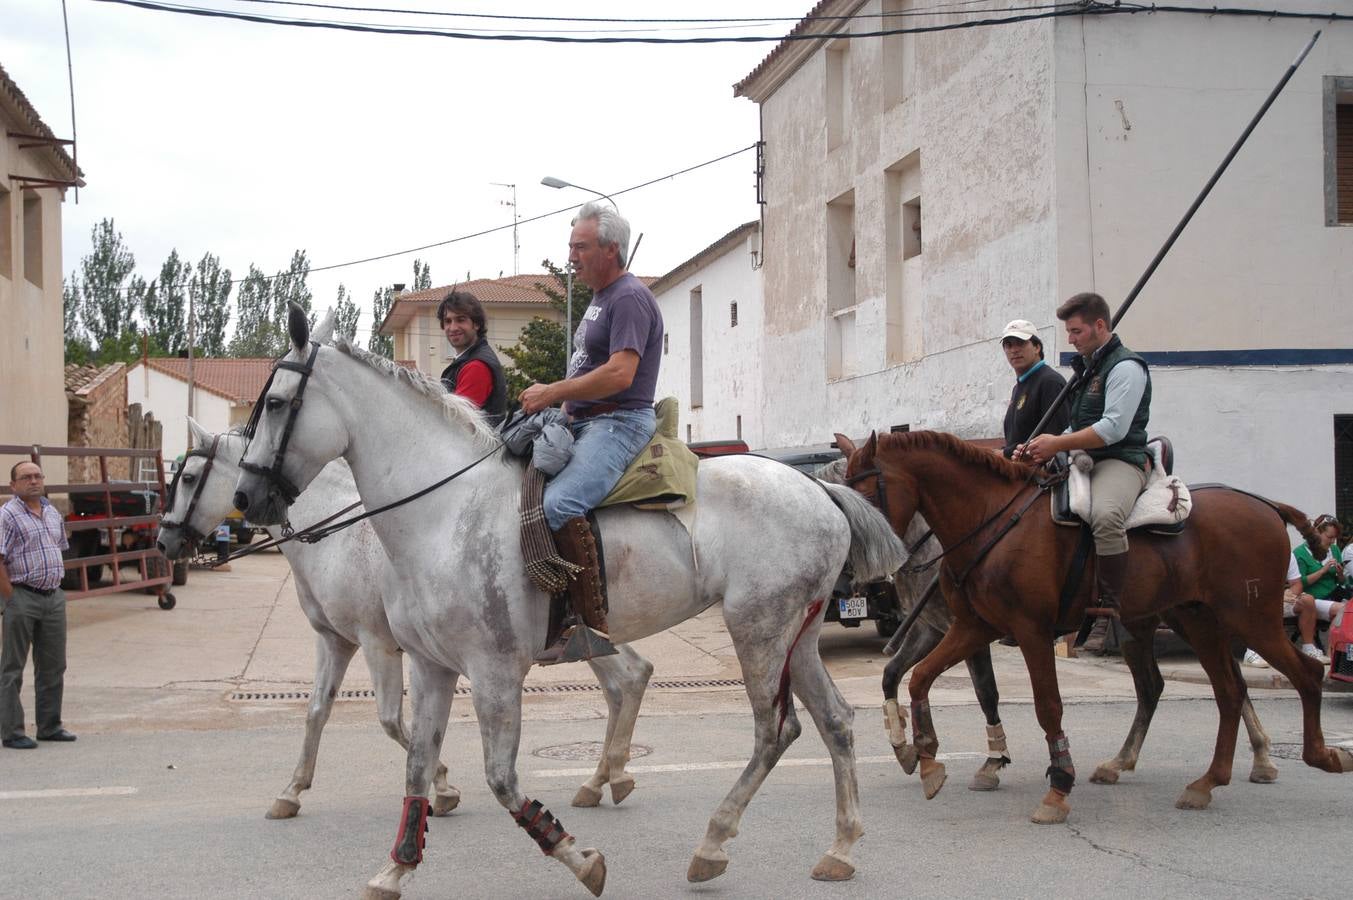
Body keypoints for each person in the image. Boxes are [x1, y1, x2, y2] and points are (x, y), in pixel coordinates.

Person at [519, 201, 663, 663]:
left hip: (619, 422)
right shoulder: (601, 299)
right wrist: (559, 410)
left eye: (580, 247)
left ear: (611, 250)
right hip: (583, 420)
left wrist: (553, 391)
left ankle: (589, 627)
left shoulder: (629, 298)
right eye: (570, 246)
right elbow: (588, 365)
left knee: (561, 504)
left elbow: (621, 374)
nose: (571, 256)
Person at [1015, 292, 1151, 653]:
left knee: (1105, 516)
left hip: (1120, 460)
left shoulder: (1126, 367)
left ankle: (1109, 609)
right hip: (1082, 459)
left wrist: (1057, 445)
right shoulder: (1087, 368)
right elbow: (1076, 425)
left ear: (1100, 326)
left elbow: (1113, 429)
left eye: (1075, 331)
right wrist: (1035, 449)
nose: (1070, 339)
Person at [0, 461, 77, 749]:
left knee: (53, 666)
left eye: (36, 476)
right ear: (13, 485)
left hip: (53, 597)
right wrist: (11, 597)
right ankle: (12, 732)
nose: (33, 481)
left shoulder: (51, 512)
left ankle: (50, 726)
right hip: (22, 596)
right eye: (25, 477)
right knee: (12, 667)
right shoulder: (7, 516)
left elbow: (58, 549)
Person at [1287, 514, 1352, 664]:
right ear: (1317, 533)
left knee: (1347, 610)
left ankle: (1339, 654)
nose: (1332, 541)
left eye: (1334, 538)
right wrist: (1322, 571)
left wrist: (1340, 573)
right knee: (1344, 611)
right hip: (1313, 599)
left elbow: (1341, 581)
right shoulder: (1300, 554)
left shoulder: (1334, 550)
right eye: (1329, 537)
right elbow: (1299, 583)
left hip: (1334, 595)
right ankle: (1333, 655)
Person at [1000, 319, 1068, 458]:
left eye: (1021, 343)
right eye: (1008, 345)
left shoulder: (1050, 382)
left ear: (1037, 347)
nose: (1014, 350)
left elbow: (1057, 437)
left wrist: (1004, 453)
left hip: (1041, 473)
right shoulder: (1018, 387)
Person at [437, 290, 507, 427]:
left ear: (476, 324)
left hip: (472, 448)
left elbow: (456, 422)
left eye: (460, 320)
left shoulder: (476, 366)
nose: (453, 327)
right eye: (448, 321)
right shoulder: (466, 361)